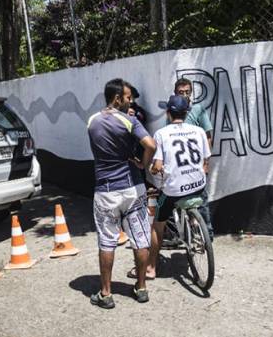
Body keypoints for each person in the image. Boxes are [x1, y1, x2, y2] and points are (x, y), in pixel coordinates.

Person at [87, 78, 156, 309]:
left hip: (105, 190)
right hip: (133, 187)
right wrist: (142, 165)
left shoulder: (92, 122)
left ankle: (106, 293)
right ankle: (141, 288)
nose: (131, 101)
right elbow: (151, 145)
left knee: (107, 242)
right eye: (128, 98)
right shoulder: (129, 120)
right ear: (117, 99)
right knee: (140, 239)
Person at [145, 94, 211, 279]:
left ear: (168, 113)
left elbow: (157, 165)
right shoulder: (198, 131)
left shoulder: (162, 134)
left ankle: (151, 267)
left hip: (174, 190)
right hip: (198, 185)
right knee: (191, 197)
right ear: (186, 112)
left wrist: (152, 169)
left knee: (158, 224)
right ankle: (195, 227)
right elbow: (207, 158)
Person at [165, 78, 215, 240]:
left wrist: (205, 163)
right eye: (181, 92)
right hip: (180, 166)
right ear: (175, 93)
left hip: (197, 164)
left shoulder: (198, 109)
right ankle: (182, 235)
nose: (185, 95)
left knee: (202, 200)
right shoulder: (172, 110)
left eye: (187, 92)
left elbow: (208, 137)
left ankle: (208, 234)